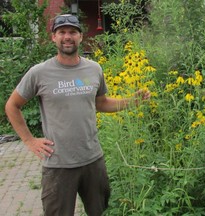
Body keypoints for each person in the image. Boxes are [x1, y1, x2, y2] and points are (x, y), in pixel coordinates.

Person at [5, 14, 150, 216]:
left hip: (93, 160)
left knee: (99, 211)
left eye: (72, 32)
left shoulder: (93, 69)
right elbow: (12, 106)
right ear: (53, 37)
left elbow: (101, 103)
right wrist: (29, 141)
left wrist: (131, 101)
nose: (67, 36)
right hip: (58, 164)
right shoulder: (39, 73)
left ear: (80, 37)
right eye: (62, 32)